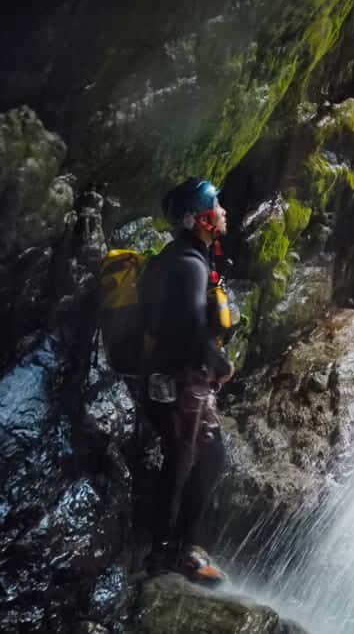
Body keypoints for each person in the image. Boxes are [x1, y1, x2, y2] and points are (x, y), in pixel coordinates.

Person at [139, 177, 234, 583]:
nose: (223, 211)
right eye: (216, 206)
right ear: (199, 219)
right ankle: (172, 554)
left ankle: (175, 549)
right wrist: (219, 364)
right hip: (182, 384)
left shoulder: (173, 257)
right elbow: (194, 324)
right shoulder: (191, 265)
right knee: (194, 461)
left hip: (163, 378)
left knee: (191, 459)